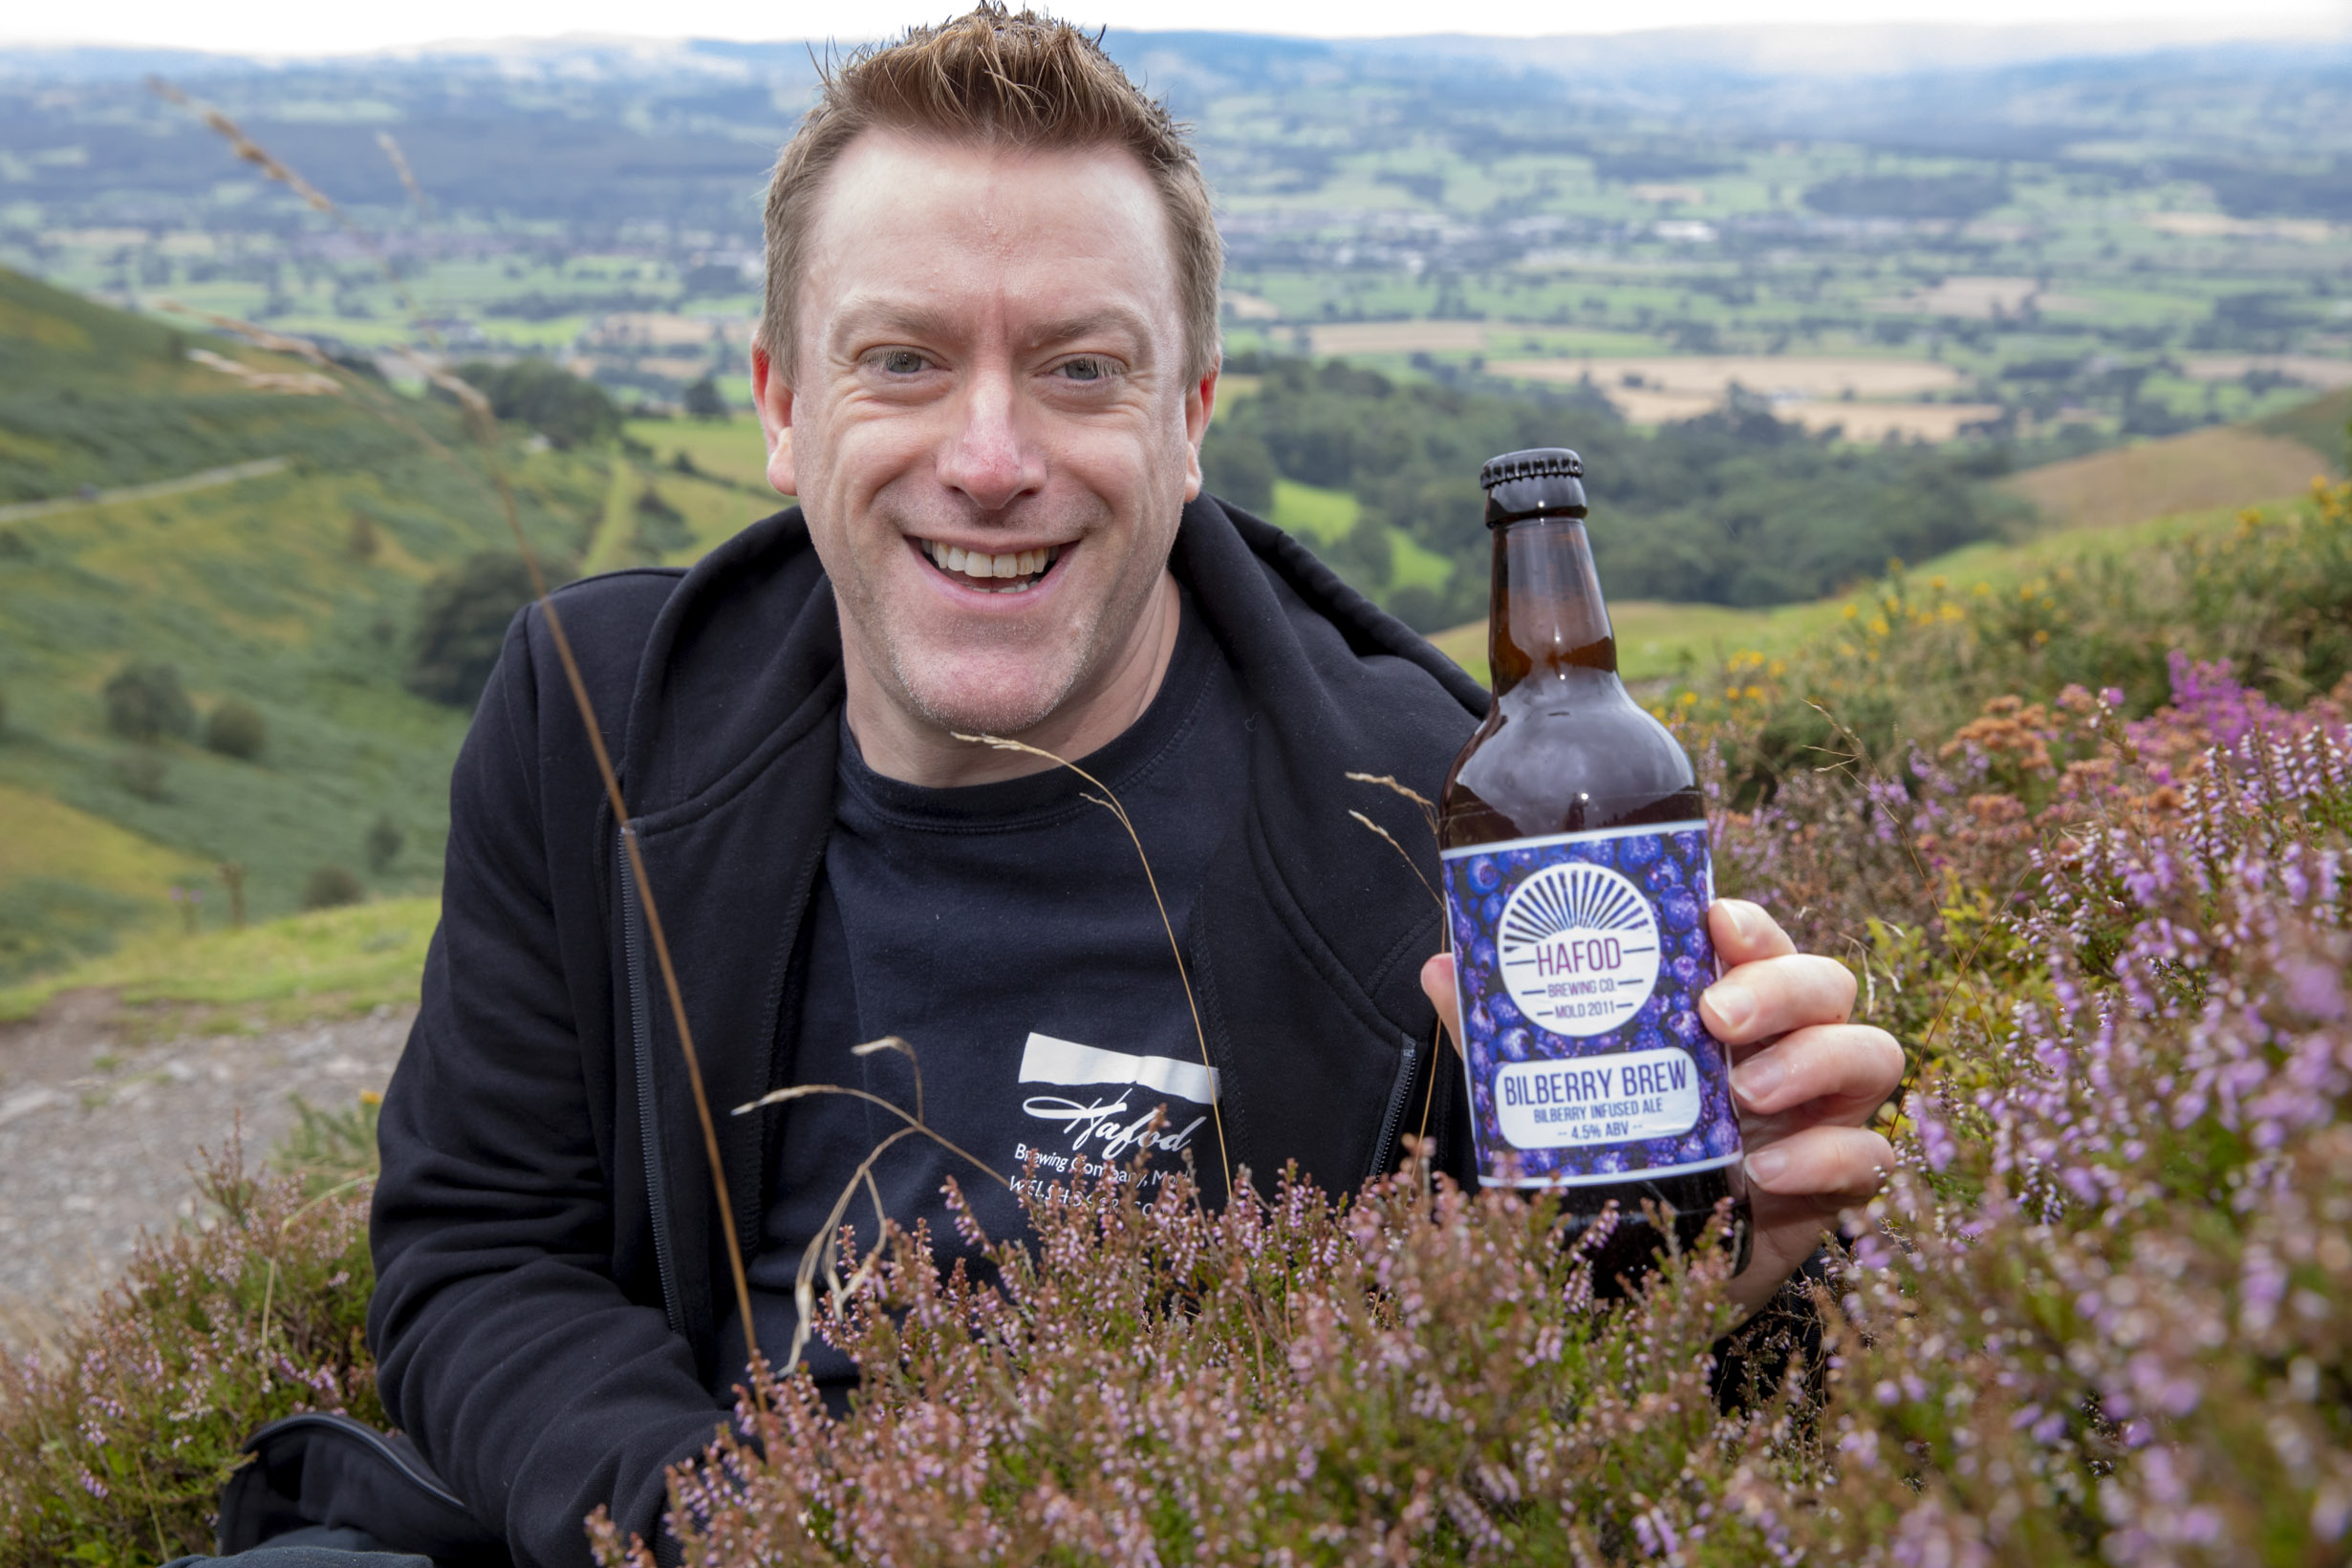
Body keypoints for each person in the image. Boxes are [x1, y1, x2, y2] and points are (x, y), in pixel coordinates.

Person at [191, 9, 1903, 1566]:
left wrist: (1732, 1267)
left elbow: (1560, 1374)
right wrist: (732, 1531)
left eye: (1082, 367)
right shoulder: (595, 713)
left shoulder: (1438, 824)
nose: (991, 460)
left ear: (1189, 419)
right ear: (782, 403)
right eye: (902, 360)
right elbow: (482, 1254)